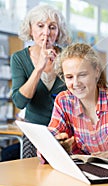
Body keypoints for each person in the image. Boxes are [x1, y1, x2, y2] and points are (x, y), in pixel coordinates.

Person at [10, 4, 71, 158]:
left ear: (58, 32)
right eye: (40, 26)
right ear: (31, 30)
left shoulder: (68, 57)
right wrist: (38, 69)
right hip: (35, 133)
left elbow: (79, 96)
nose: (46, 32)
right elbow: (19, 102)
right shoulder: (19, 58)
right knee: (32, 177)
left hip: (65, 132)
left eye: (52, 27)